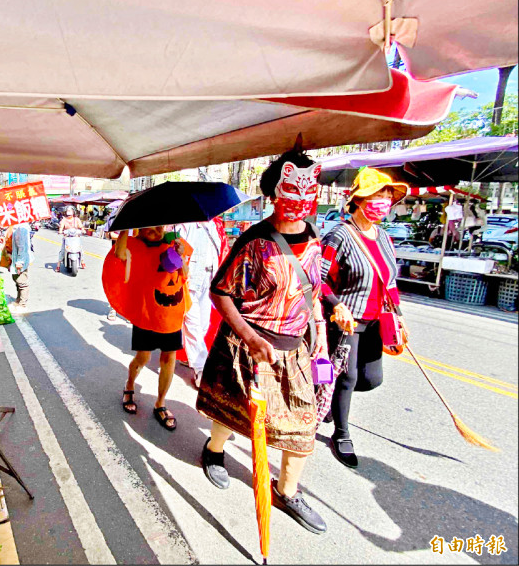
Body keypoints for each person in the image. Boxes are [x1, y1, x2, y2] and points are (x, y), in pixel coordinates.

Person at [196, 136, 329, 534]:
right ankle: (214, 451)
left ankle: (287, 492)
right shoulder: (254, 242)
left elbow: (313, 292)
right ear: (273, 194)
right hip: (250, 346)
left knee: (303, 427)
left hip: (295, 351)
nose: (301, 197)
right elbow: (220, 292)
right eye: (292, 189)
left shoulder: (316, 239)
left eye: (309, 189)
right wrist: (249, 337)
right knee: (233, 412)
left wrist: (319, 329)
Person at [320, 167, 408, 469]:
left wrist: (398, 315)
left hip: (377, 320)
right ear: (359, 199)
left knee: (372, 379)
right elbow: (317, 278)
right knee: (348, 377)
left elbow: (390, 280)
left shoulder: (384, 236)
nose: (383, 201)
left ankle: (331, 399)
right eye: (377, 195)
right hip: (348, 320)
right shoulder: (339, 235)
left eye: (387, 196)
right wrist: (336, 305)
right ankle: (341, 434)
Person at [103, 226, 192, 431]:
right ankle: (129, 385)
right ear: (141, 227)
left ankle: (160, 403)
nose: (156, 230)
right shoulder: (133, 245)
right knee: (143, 358)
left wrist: (181, 256)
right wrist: (124, 228)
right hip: (146, 313)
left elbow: (185, 275)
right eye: (152, 226)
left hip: (171, 313)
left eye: (160, 226)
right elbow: (119, 254)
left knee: (169, 358)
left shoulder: (173, 243)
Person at [174, 219, 227, 388]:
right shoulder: (185, 224)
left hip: (208, 279)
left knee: (203, 324)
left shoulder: (213, 225)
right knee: (193, 324)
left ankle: (193, 357)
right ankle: (200, 369)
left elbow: (217, 252)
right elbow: (177, 253)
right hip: (189, 281)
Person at [8, 221, 33, 313]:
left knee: (22, 282)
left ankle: (22, 304)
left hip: (20, 260)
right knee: (17, 280)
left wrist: (20, 262)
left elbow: (22, 247)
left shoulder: (21, 228)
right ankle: (18, 301)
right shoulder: (16, 226)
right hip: (16, 258)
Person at [56, 205, 86, 272]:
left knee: (80, 250)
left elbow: (81, 227)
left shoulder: (77, 219)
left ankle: (82, 262)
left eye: (70, 210)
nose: (69, 212)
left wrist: (83, 230)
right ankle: (58, 265)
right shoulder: (64, 220)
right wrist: (60, 231)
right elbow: (61, 228)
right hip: (67, 238)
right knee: (63, 251)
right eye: (67, 211)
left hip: (76, 238)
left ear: (73, 212)